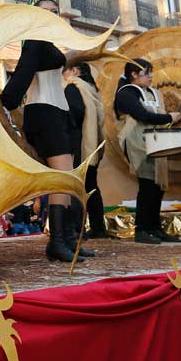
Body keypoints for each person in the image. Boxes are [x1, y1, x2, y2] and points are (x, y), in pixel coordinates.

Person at [0, 0, 92, 263]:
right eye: (46, 11)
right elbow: (23, 72)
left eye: (55, 12)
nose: (52, 15)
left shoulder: (48, 43)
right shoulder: (35, 40)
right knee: (62, 179)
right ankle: (57, 241)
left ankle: (68, 238)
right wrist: (6, 101)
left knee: (67, 178)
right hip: (45, 113)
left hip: (57, 113)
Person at [114, 59, 181, 245]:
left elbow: (155, 116)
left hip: (156, 141)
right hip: (137, 142)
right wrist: (168, 117)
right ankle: (142, 229)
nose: (151, 77)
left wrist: (169, 118)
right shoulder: (126, 93)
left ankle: (155, 228)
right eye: (147, 73)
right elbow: (141, 115)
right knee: (146, 185)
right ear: (134, 75)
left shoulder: (153, 93)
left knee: (157, 186)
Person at [65, 63, 112, 240]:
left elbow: (74, 113)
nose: (65, 74)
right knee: (91, 186)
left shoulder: (74, 87)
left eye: (67, 70)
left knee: (76, 186)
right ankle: (98, 228)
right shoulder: (93, 90)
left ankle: (77, 230)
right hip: (93, 145)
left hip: (80, 144)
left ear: (75, 71)